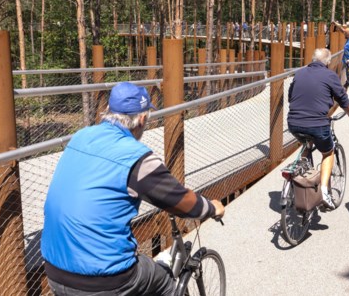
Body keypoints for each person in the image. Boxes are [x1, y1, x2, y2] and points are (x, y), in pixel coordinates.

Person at [41, 82, 225, 296]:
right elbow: (179, 201)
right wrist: (212, 208)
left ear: (108, 111)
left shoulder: (81, 137)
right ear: (143, 119)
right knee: (164, 282)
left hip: (54, 271)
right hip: (105, 280)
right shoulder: (136, 157)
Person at [288, 48, 349, 209]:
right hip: (317, 123)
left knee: (307, 144)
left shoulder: (299, 73)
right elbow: (343, 99)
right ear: (327, 62)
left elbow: (291, 96)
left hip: (293, 122)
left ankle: (300, 176)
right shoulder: (330, 75)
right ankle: (324, 191)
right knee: (328, 152)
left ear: (313, 59)